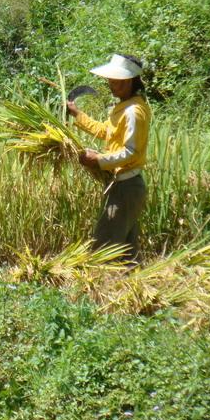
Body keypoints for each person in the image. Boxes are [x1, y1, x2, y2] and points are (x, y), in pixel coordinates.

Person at [67, 54, 152, 263]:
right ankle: (134, 291)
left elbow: (130, 151)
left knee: (102, 250)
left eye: (117, 81)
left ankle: (98, 291)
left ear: (130, 81)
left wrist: (99, 160)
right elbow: (106, 131)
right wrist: (78, 115)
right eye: (110, 80)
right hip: (123, 187)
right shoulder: (124, 106)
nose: (111, 85)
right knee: (127, 254)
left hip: (126, 188)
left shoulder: (133, 111)